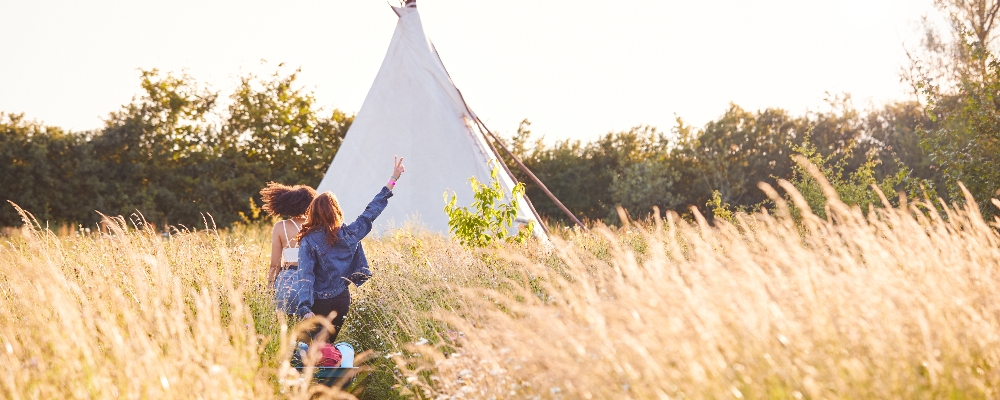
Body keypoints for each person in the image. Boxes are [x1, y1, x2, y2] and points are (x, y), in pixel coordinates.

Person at [295, 156, 405, 343]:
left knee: (316, 348)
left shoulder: (309, 240)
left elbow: (305, 276)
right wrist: (393, 179)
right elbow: (370, 213)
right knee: (328, 346)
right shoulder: (349, 233)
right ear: (336, 211)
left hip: (319, 302)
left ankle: (314, 371)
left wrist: (305, 307)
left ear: (313, 212)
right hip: (342, 300)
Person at [259, 182, 317, 287]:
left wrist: (270, 288)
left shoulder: (280, 227)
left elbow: (274, 265)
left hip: (289, 281)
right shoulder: (316, 225)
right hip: (313, 280)